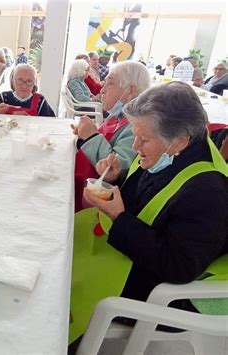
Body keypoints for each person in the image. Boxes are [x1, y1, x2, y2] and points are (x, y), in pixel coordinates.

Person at [70, 81, 227, 349]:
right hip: (139, 255)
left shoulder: (208, 192)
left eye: (144, 139)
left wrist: (119, 219)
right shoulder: (168, 153)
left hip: (165, 290)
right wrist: (116, 176)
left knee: (63, 292)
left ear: (180, 140)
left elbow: (177, 266)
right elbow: (146, 198)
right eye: (134, 134)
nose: (135, 144)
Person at [72, 61, 150, 212]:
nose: (102, 90)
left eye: (110, 84)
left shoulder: (137, 126)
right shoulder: (118, 115)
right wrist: (83, 134)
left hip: (102, 204)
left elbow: (116, 167)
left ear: (130, 91)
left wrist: (90, 136)